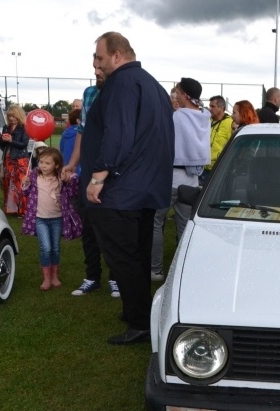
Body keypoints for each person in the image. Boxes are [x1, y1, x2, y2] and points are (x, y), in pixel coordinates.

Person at [82, 31, 174, 345]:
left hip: (121, 192)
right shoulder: (154, 86)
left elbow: (117, 135)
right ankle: (139, 313)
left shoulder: (121, 84)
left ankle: (140, 324)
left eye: (99, 57)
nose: (96, 65)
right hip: (146, 190)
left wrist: (97, 178)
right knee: (137, 257)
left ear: (117, 55)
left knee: (124, 259)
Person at [61, 77, 120, 299]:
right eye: (94, 66)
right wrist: (73, 163)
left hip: (113, 173)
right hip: (89, 171)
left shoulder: (120, 92)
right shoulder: (89, 93)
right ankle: (92, 277)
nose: (97, 71)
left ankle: (115, 278)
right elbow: (82, 132)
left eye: (100, 65)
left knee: (113, 227)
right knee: (89, 226)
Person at [152, 78, 210, 283]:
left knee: (156, 222)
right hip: (192, 181)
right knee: (184, 226)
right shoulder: (205, 116)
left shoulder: (177, 118)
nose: (175, 95)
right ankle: (184, 269)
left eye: (177, 91)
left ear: (185, 94)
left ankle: (156, 269)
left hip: (171, 177)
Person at [21, 147, 82, 290]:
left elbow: (74, 192)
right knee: (46, 248)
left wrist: (69, 179)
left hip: (57, 219)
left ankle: (54, 276)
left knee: (55, 248)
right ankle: (46, 279)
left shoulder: (60, 178)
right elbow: (27, 193)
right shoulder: (35, 176)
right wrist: (25, 184)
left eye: (47, 163)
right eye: (41, 162)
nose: (43, 165)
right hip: (40, 219)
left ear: (57, 165)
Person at [0, 105, 31, 216]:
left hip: (20, 159)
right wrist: (2, 139)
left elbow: (24, 144)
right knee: (8, 183)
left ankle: (23, 209)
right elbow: (2, 145)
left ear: (19, 115)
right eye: (10, 116)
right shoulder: (6, 127)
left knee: (21, 184)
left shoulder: (24, 128)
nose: (11, 118)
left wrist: (11, 140)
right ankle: (11, 209)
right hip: (8, 158)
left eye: (13, 116)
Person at [201, 95, 232, 184]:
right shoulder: (208, 121)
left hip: (218, 169)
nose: (210, 109)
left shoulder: (229, 123)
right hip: (204, 167)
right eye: (210, 106)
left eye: (213, 106)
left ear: (221, 108)